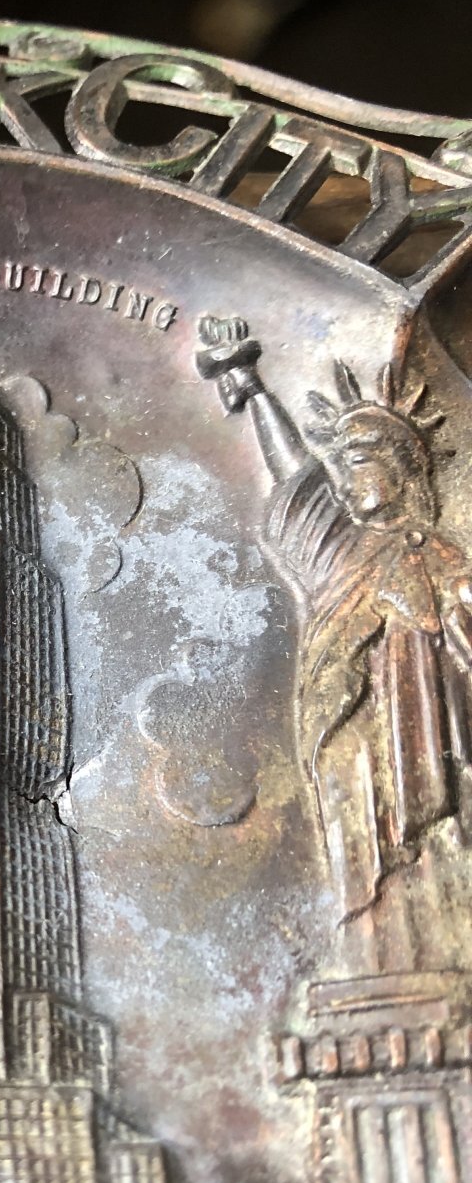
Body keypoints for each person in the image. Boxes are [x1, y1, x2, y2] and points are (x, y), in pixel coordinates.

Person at [196, 315, 472, 977]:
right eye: (342, 468)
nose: (347, 482)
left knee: (436, 852)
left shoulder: (441, 555)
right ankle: (376, 968)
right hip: (350, 730)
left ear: (402, 470)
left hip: (431, 734)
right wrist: (253, 388)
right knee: (362, 852)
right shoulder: (341, 551)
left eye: (360, 464)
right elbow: (296, 477)